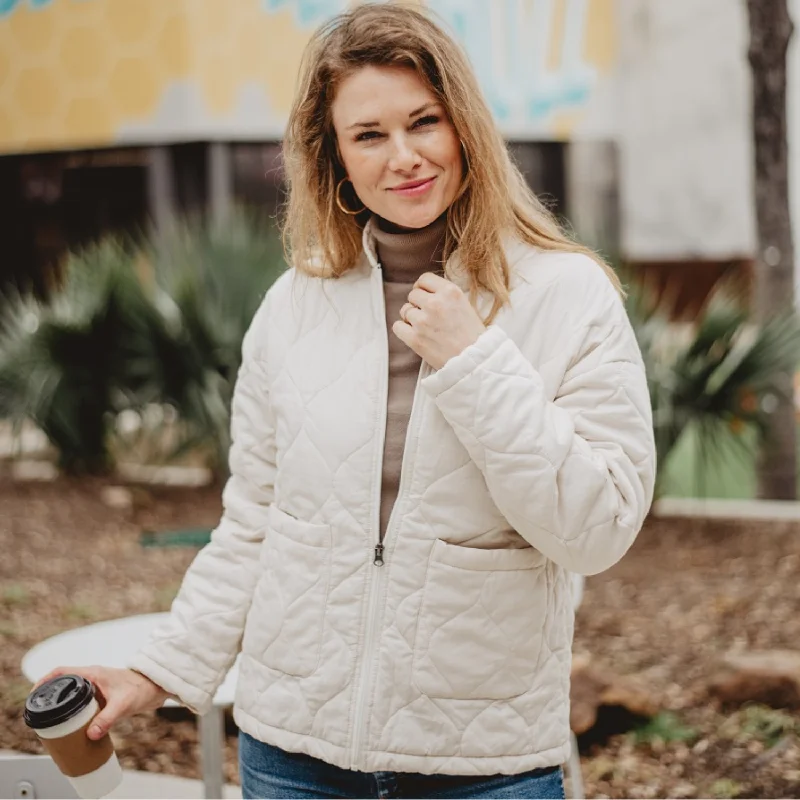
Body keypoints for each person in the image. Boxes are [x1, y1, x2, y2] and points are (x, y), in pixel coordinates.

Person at [39, 4, 655, 798]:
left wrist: (474, 362)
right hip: (293, 756)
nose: (404, 157)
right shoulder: (293, 308)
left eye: (423, 122)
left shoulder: (569, 295)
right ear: (333, 155)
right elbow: (256, 524)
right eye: (368, 135)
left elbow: (597, 529)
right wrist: (157, 672)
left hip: (479, 766)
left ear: (464, 124)